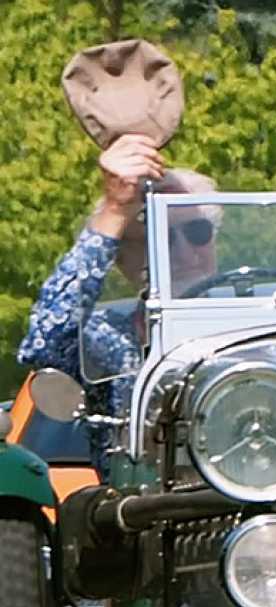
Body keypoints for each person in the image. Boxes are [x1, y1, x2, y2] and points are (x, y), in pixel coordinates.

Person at [19, 135, 218, 474]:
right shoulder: (109, 336)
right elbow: (44, 344)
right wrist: (115, 210)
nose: (184, 253)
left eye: (198, 232)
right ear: (122, 259)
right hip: (145, 514)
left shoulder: (265, 322)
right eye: (160, 239)